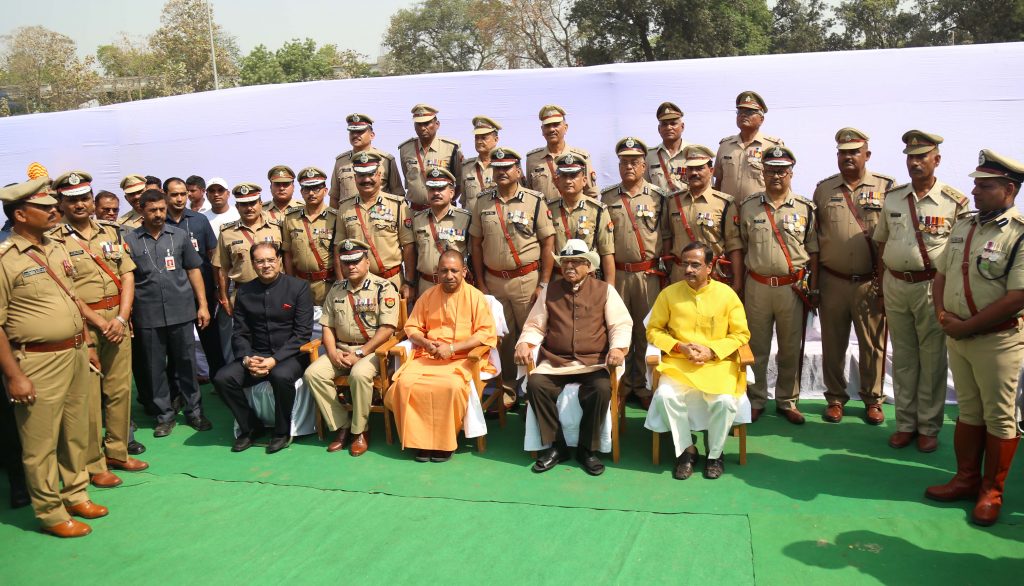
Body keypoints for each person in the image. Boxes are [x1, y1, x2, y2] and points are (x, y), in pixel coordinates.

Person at [0, 177, 106, 538]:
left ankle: (76, 493)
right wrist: (14, 374)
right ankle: (49, 512)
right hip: (37, 360)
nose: (53, 211)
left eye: (51, 206)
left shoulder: (57, 247)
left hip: (75, 351)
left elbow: (73, 299)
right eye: (43, 208)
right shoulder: (4, 259)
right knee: (40, 443)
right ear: (19, 214)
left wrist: (89, 344)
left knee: (75, 431)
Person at [926, 150, 1024, 526]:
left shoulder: (1017, 234)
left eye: (986, 185)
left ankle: (991, 491)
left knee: (1000, 417)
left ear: (1009, 189)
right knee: (969, 411)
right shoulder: (964, 225)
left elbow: (1017, 296)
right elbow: (941, 275)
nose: (976, 190)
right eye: (976, 183)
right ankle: (966, 479)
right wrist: (942, 315)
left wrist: (967, 326)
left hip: (996, 340)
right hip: (959, 335)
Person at [50, 171, 148, 489]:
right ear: (61, 203)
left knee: (120, 390)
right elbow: (66, 291)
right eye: (72, 199)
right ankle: (94, 464)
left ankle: (117, 452)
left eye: (84, 198)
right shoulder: (54, 241)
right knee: (90, 399)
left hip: (117, 320)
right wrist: (100, 322)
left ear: (92, 200)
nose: (80, 204)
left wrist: (121, 318)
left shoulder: (111, 232)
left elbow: (128, 275)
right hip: (85, 326)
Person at [873, 130, 968, 452]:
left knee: (931, 359)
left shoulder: (953, 202)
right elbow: (882, 241)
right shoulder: (894, 197)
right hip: (896, 283)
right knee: (902, 358)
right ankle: (905, 424)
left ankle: (928, 426)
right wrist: (881, 284)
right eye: (910, 157)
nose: (915, 163)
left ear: (936, 160)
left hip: (931, 286)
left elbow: (962, 251)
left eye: (921, 157)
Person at [516, 240, 631, 476]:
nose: (570, 267)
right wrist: (524, 344)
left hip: (593, 362)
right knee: (536, 385)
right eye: (566, 262)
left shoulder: (605, 290)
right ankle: (557, 446)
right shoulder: (550, 291)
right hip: (557, 361)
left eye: (576, 262)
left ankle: (587, 449)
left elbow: (620, 324)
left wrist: (618, 349)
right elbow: (535, 326)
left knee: (600, 389)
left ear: (589, 266)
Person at [725, 145, 818, 424]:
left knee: (791, 347)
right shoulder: (749, 206)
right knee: (757, 347)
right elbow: (740, 245)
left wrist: (813, 286)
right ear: (762, 173)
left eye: (782, 171)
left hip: (792, 288)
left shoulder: (805, 208)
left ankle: (787, 400)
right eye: (771, 170)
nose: (776, 176)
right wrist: (739, 284)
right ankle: (755, 398)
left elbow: (813, 250)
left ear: (791, 173)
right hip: (758, 286)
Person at [645, 242, 751, 480]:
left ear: (710, 267)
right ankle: (686, 451)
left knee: (724, 401)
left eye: (696, 264)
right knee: (665, 396)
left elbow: (741, 334)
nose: (689, 269)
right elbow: (653, 331)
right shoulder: (669, 294)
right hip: (679, 363)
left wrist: (712, 351)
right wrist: (679, 346)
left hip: (718, 365)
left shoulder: (727, 295)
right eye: (685, 264)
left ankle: (715, 455)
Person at [812, 128, 894, 425]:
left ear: (866, 155)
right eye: (842, 152)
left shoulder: (887, 188)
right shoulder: (824, 190)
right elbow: (815, 241)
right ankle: (835, 398)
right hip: (832, 280)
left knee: (873, 344)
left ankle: (873, 400)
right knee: (833, 343)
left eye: (853, 152)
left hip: (869, 281)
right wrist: (815, 282)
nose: (847, 157)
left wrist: (886, 283)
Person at [386, 249, 498, 462]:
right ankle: (419, 442)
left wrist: (453, 348)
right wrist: (426, 342)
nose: (449, 275)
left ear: (464, 271)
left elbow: (485, 333)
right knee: (405, 384)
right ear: (437, 272)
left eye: (454, 270)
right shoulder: (428, 296)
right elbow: (412, 327)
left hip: (462, 358)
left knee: (451, 387)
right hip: (428, 356)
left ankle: (444, 444)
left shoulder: (476, 297)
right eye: (444, 271)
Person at [125, 189, 213, 437]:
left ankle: (195, 412)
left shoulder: (180, 236)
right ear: (141, 210)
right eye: (152, 210)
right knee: (155, 369)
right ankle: (164, 415)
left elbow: (194, 270)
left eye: (162, 209)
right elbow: (127, 279)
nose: (159, 214)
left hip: (181, 312)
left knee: (187, 364)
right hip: (148, 315)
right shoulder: (130, 241)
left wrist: (203, 305)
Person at [214, 242, 313, 454]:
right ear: (253, 264)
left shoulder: (299, 287)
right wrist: (247, 359)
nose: (266, 265)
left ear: (279, 261)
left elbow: (302, 334)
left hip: (290, 356)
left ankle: (281, 431)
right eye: (260, 261)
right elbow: (240, 332)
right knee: (223, 378)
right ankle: (250, 427)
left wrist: (274, 360)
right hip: (256, 355)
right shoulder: (245, 292)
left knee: (280, 375)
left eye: (270, 260)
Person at [304, 239, 400, 457]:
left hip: (372, 352)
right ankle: (342, 425)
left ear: (367, 262)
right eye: (347, 263)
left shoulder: (383, 288)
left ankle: (360, 431)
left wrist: (361, 352)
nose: (352, 266)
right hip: (340, 350)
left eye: (357, 261)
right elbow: (327, 326)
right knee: (313, 374)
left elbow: (387, 329)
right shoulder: (336, 289)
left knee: (358, 374)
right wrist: (332, 352)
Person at [470, 147, 555, 391]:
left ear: (518, 171)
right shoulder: (482, 201)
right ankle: (508, 385)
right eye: (497, 169)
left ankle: (533, 386)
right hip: (494, 281)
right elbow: (476, 244)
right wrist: (482, 283)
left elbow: (548, 241)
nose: (502, 172)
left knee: (532, 333)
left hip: (526, 279)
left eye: (507, 168)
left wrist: (543, 283)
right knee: (502, 337)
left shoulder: (534, 201)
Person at [601, 137, 668, 408]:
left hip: (648, 274)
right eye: (624, 162)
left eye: (634, 162)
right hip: (618, 274)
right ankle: (622, 383)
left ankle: (641, 384)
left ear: (644, 166)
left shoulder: (658, 197)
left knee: (645, 330)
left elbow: (667, 235)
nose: (629, 167)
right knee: (618, 329)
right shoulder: (608, 197)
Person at [165, 177, 223, 384]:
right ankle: (177, 388)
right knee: (176, 346)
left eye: (184, 194)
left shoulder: (199, 220)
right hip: (174, 294)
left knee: (211, 341)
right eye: (175, 194)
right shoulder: (159, 221)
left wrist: (217, 287)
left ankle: (219, 382)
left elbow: (213, 254)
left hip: (203, 292)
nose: (181, 198)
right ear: (165, 196)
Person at [334, 152, 415, 297]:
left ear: (379, 175)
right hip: (356, 285)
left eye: (371, 174)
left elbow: (408, 246)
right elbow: (338, 248)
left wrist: (409, 282)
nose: (366, 180)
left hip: (391, 281)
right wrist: (341, 283)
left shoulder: (398, 205)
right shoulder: (345, 208)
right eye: (361, 175)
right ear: (355, 178)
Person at [662, 144, 734, 284]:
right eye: (690, 169)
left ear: (711, 170)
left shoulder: (724, 203)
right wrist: (668, 271)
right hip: (680, 274)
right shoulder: (673, 201)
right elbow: (667, 236)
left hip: (712, 274)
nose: (694, 173)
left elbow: (734, 245)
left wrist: (737, 281)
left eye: (700, 168)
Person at [213, 183, 283, 316]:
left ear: (261, 203)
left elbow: (287, 257)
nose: (249, 208)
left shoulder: (278, 227)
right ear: (237, 207)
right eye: (244, 204)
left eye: (253, 203)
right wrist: (224, 298)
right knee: (245, 335)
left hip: (277, 292)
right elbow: (222, 268)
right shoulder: (227, 232)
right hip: (244, 294)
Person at [548, 153, 615, 284]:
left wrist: (610, 288)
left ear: (584, 180)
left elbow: (607, 252)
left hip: (589, 279)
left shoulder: (597, 210)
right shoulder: (549, 209)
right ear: (558, 180)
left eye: (573, 176)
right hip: (558, 279)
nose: (568, 181)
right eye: (564, 176)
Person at [409, 167, 471, 299]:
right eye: (432, 189)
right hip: (426, 284)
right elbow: (413, 253)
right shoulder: (417, 219)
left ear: (452, 192)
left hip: (456, 285)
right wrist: (411, 283)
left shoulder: (465, 218)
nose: (436, 193)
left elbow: (474, 253)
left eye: (441, 189)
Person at [714, 91, 785, 202]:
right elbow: (718, 182)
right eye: (740, 111)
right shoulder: (725, 145)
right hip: (728, 211)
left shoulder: (772, 146)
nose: (743, 115)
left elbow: (784, 183)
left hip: (758, 212)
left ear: (761, 119)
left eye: (749, 112)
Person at [282, 166, 337, 306]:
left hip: (328, 285)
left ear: (325, 191)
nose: (311, 193)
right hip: (300, 284)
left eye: (316, 188)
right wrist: (289, 283)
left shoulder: (335, 217)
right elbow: (287, 253)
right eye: (307, 189)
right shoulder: (290, 218)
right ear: (301, 192)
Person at [525, 105, 599, 201]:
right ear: (542, 130)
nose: (551, 129)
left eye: (556, 124)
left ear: (565, 127)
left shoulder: (581, 157)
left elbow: (591, 194)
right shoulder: (532, 159)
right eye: (547, 126)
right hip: (543, 215)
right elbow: (529, 194)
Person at [330, 113, 404, 208]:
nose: (355, 135)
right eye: (352, 132)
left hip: (380, 216)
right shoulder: (341, 162)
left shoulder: (386, 160)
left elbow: (398, 195)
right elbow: (334, 197)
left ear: (372, 135)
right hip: (349, 216)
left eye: (360, 132)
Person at [398, 104, 462, 211]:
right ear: (414, 126)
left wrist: (448, 201)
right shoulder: (405, 149)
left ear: (437, 124)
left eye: (427, 123)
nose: (423, 128)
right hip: (415, 212)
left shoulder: (450, 148)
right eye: (419, 124)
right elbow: (408, 179)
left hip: (443, 211)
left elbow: (460, 182)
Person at [645, 102, 691, 194]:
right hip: (658, 207)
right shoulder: (649, 156)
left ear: (682, 127)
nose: (669, 127)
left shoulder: (693, 153)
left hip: (686, 207)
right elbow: (644, 187)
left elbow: (706, 187)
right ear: (659, 129)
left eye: (673, 123)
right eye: (664, 124)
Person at [460, 116, 501, 210]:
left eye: (484, 138)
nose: (479, 141)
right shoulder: (466, 167)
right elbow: (464, 201)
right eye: (476, 138)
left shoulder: (506, 165)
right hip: (472, 222)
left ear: (496, 139)